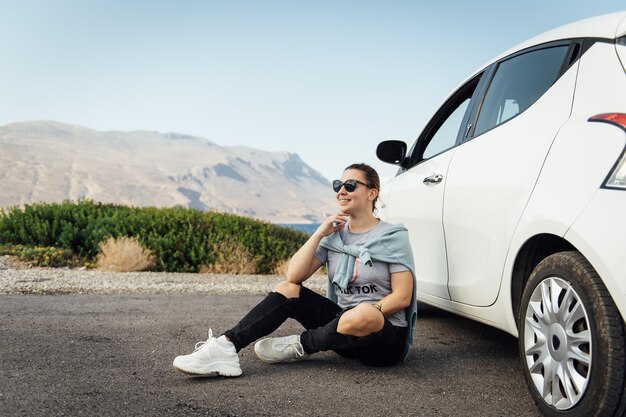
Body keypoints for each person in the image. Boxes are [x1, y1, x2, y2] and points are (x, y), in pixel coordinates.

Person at [173, 163, 417, 376]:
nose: (341, 191)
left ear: (372, 192)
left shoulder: (391, 236)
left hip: (381, 340)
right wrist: (320, 232)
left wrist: (358, 317)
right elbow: (294, 276)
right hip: (341, 334)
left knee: (363, 314)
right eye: (337, 185)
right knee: (288, 289)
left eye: (351, 185)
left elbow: (402, 296)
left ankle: (302, 344)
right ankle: (225, 346)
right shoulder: (334, 237)